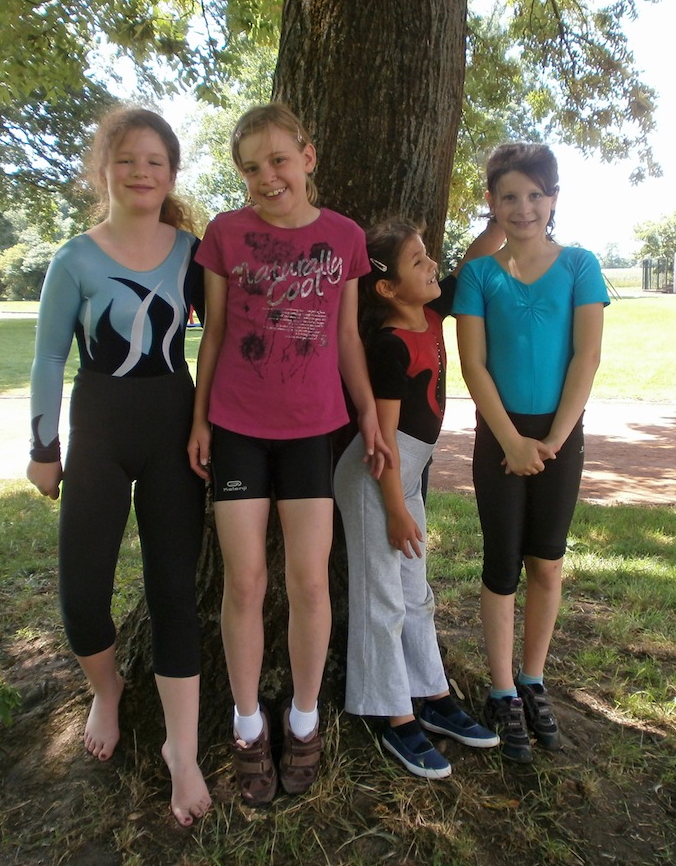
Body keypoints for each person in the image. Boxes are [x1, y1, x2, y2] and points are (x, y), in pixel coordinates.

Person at [186, 103, 391, 806]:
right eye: (250, 168)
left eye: (277, 160)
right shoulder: (225, 233)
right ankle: (247, 725)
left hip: (311, 430)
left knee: (308, 582)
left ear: (307, 156)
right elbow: (214, 333)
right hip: (237, 428)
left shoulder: (344, 237)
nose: (266, 177)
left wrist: (369, 414)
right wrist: (200, 420)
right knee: (244, 583)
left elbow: (347, 337)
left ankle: (303, 719)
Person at [26, 107, 210, 827]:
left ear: (171, 174)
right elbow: (49, 357)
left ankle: (181, 751)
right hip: (98, 430)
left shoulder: (193, 253)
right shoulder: (74, 258)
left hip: (172, 429)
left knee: (173, 596)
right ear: (103, 168)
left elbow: (230, 331)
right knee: (81, 595)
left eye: (155, 161)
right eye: (127, 159)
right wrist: (44, 449)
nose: (141, 172)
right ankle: (107, 690)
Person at [454, 143, 608, 764]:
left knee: (546, 562)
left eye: (535, 195)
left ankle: (533, 679)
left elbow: (586, 357)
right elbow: (473, 363)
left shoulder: (579, 265)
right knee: (502, 565)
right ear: (492, 202)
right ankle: (501, 690)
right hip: (500, 434)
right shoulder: (479, 275)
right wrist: (512, 441)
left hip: (560, 435)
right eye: (510, 196)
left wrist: (554, 440)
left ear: (553, 199)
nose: (523, 208)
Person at [335, 219, 497, 779]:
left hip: (405, 476)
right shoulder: (387, 346)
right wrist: (397, 510)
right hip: (375, 479)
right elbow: (380, 442)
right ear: (387, 288)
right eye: (418, 261)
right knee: (382, 599)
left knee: (415, 593)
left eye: (428, 257)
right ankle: (393, 716)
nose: (432, 266)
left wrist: (498, 219)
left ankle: (432, 695)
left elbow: (473, 259)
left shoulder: (430, 312)